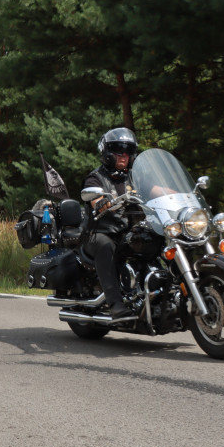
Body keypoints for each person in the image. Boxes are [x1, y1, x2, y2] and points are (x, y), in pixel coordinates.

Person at [81, 127, 139, 321]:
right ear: (106, 152)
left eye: (128, 150)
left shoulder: (135, 177)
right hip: (100, 232)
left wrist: (175, 192)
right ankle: (116, 304)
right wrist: (101, 202)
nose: (124, 155)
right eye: (118, 149)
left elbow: (156, 189)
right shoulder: (95, 178)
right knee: (105, 245)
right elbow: (94, 198)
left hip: (127, 231)